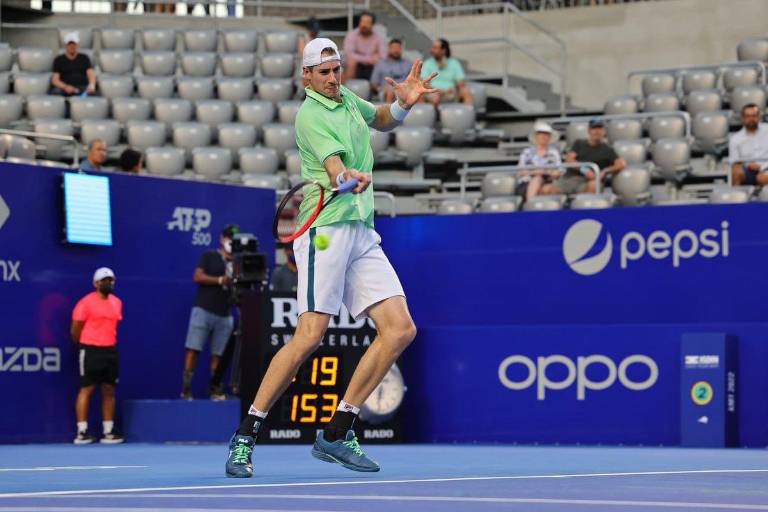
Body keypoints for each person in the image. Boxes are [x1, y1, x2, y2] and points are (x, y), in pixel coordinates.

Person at [225, 37, 434, 478]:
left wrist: (403, 105)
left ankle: (337, 431)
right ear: (306, 75)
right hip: (325, 232)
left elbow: (380, 119)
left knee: (400, 330)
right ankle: (246, 435)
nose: (333, 77)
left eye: (336, 69)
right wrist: (347, 178)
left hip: (361, 229)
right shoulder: (311, 115)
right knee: (310, 336)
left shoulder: (345, 99)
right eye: (324, 72)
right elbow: (336, 171)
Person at [181, 224, 237, 401]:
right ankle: (186, 389)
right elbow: (197, 276)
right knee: (193, 349)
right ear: (221, 238)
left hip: (225, 313)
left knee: (218, 354)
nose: (230, 241)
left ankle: (214, 389)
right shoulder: (209, 255)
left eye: (234, 238)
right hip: (203, 309)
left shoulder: (238, 261)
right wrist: (220, 280)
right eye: (228, 237)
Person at [71, 267, 124, 445]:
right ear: (96, 283)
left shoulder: (117, 302)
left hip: (110, 350)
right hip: (90, 349)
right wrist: (85, 344)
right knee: (86, 388)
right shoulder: (85, 303)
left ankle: (108, 431)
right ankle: (82, 431)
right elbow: (75, 328)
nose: (108, 283)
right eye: (104, 280)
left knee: (109, 389)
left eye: (111, 280)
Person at [560, 119, 626, 194]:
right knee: (547, 189)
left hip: (589, 182)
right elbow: (569, 160)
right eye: (594, 128)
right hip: (570, 179)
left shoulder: (607, 149)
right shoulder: (579, 143)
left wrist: (605, 171)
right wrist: (584, 170)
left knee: (594, 185)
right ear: (589, 130)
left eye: (600, 128)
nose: (597, 131)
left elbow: (621, 163)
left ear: (604, 131)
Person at [517, 121, 562, 200]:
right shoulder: (526, 152)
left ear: (549, 137)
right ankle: (531, 204)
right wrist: (535, 172)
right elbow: (520, 171)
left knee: (549, 189)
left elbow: (558, 171)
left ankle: (533, 205)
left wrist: (544, 172)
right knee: (537, 179)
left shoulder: (554, 153)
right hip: (526, 184)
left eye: (546, 134)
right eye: (540, 133)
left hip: (547, 182)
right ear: (536, 136)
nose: (543, 136)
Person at [419, 38, 472, 106]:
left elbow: (461, 83)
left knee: (465, 92)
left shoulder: (454, 63)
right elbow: (423, 83)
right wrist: (436, 90)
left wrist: (454, 88)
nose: (432, 50)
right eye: (432, 47)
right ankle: (436, 115)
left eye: (435, 48)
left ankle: (467, 114)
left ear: (443, 50)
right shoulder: (427, 64)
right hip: (434, 93)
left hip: (451, 93)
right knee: (435, 97)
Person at [730, 103, 768, 187]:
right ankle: (736, 197)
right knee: (736, 171)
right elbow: (734, 162)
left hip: (766, 168)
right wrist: (747, 164)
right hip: (748, 170)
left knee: (763, 177)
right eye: (747, 116)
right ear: (742, 118)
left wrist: (763, 166)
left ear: (759, 117)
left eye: (754, 116)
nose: (751, 119)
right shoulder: (735, 138)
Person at [342, 11, 386, 81]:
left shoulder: (378, 37)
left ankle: (374, 90)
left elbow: (383, 56)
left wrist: (370, 59)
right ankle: (348, 88)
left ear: (372, 24)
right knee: (351, 62)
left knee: (382, 65)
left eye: (367, 22)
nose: (364, 25)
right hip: (355, 64)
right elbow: (349, 54)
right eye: (362, 22)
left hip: (372, 66)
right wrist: (369, 58)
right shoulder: (352, 35)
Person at [52, 33, 96, 97]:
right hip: (64, 88)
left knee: (93, 93)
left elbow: (90, 73)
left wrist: (92, 84)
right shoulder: (59, 60)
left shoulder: (84, 58)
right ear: (65, 46)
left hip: (82, 87)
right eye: (69, 44)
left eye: (74, 44)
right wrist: (65, 87)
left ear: (78, 45)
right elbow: (55, 80)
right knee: (56, 93)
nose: (72, 46)